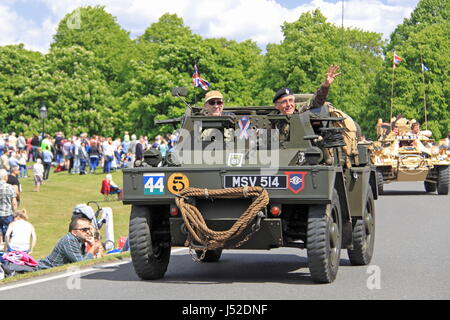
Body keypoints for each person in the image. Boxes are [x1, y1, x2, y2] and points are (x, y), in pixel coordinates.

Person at [36, 217, 103, 270]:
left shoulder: (81, 240)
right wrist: (93, 248)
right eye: (84, 230)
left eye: (89, 229)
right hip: (44, 268)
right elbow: (82, 264)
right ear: (74, 232)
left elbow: (96, 258)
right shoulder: (70, 240)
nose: (88, 232)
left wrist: (95, 248)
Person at [0, 169, 17, 244]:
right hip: (7, 213)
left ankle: (1, 244)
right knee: (8, 231)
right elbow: (14, 202)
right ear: (4, 177)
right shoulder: (10, 187)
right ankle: (7, 245)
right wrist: (15, 212)